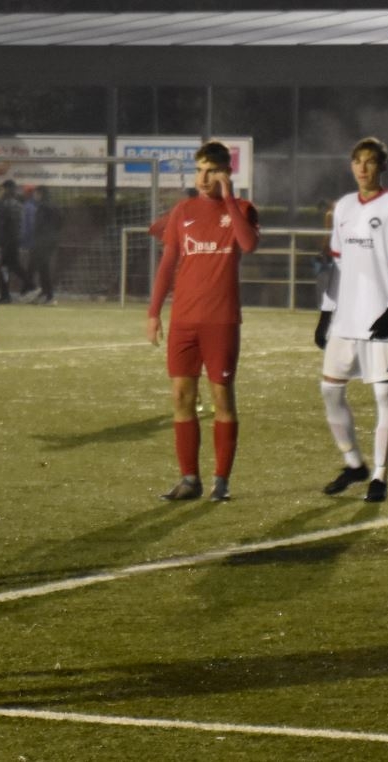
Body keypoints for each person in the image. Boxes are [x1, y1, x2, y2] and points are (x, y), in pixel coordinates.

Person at [146, 140, 260, 503]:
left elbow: (248, 244)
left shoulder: (242, 209)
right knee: (181, 396)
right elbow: (168, 263)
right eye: (198, 170)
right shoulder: (183, 211)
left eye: (211, 171)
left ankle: (221, 481)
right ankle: (189, 479)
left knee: (222, 397)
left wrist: (229, 198)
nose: (202, 178)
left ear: (226, 172)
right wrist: (154, 312)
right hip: (184, 319)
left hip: (220, 320)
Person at [314, 137, 388, 503]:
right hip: (346, 318)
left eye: (370, 161)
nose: (362, 167)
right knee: (330, 389)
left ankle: (380, 476)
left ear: (382, 167)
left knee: (384, 395)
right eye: (357, 161)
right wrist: (326, 311)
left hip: (380, 318)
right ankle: (354, 463)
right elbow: (337, 265)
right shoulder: (344, 206)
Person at [0, 179, 32, 303]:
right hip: (14, 240)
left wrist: (2, 241)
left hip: (9, 240)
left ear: (7, 189)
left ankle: (29, 285)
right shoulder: (18, 204)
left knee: (10, 266)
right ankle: (6, 294)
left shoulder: (7, 204)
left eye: (3, 189)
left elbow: (4, 224)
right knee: (7, 266)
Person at [27, 186, 62, 304]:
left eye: (36, 193)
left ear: (40, 194)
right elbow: (61, 222)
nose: (34, 196)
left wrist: (36, 238)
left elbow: (38, 225)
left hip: (42, 241)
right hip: (53, 240)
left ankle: (48, 295)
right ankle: (45, 293)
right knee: (43, 267)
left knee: (42, 267)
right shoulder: (55, 206)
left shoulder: (42, 207)